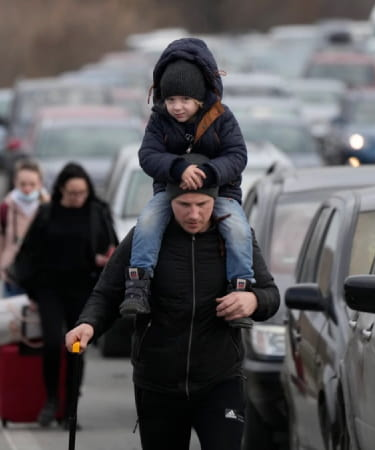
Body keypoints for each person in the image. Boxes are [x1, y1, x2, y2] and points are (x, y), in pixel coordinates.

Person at [65, 179, 280, 450]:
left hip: (220, 379)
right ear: (169, 202)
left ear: (215, 201)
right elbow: (107, 293)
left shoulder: (236, 238)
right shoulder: (144, 239)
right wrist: (88, 324)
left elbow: (271, 295)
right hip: (158, 383)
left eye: (202, 205)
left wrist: (253, 299)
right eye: (184, 205)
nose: (194, 214)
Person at [120, 37, 254, 329]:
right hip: (169, 193)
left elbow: (237, 155)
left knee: (239, 230)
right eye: (170, 100)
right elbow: (147, 155)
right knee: (147, 222)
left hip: (222, 193)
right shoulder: (159, 121)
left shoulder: (222, 118)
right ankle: (138, 286)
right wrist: (177, 167)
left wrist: (208, 173)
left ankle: (240, 288)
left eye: (184, 100)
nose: (177, 107)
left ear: (199, 99)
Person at [12, 162, 118, 428]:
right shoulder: (47, 213)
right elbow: (27, 254)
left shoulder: (97, 212)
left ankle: (71, 408)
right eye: (72, 193)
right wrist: (31, 289)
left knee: (75, 348)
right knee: (50, 343)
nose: (77, 198)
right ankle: (50, 400)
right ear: (60, 190)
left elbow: (112, 248)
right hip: (49, 289)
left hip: (83, 289)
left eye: (81, 193)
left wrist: (105, 258)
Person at [0, 158, 49, 297]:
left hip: (42, 273)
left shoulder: (48, 207)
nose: (27, 189)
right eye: (23, 184)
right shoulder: (6, 207)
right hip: (13, 273)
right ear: (15, 182)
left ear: (40, 183)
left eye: (32, 184)